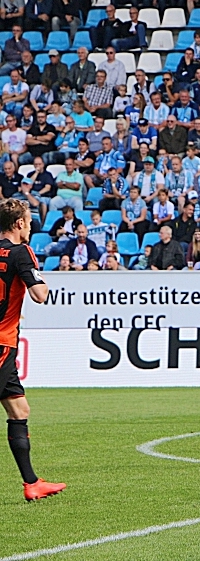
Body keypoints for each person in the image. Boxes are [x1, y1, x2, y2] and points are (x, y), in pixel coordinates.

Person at [0, 199, 66, 500]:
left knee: (19, 408)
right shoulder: (20, 252)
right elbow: (40, 295)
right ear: (19, 224)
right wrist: (38, 274)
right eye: (28, 221)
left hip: (6, 343)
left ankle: (31, 484)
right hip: (1, 341)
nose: (30, 226)